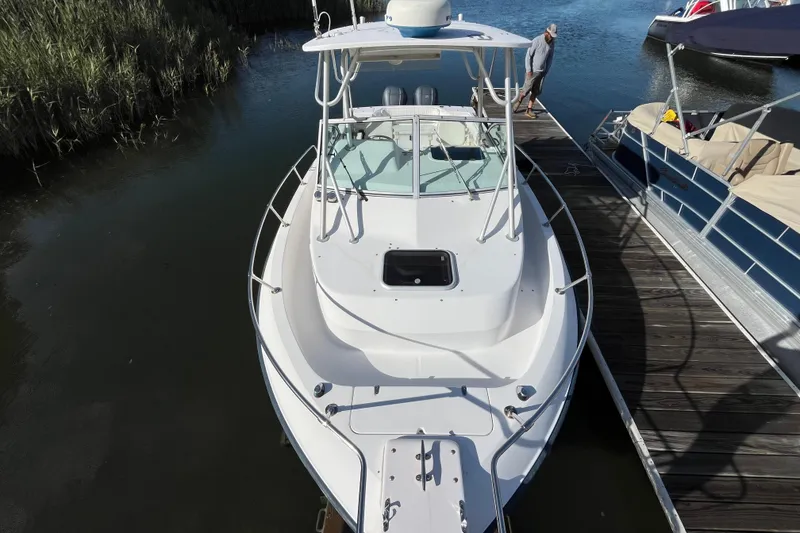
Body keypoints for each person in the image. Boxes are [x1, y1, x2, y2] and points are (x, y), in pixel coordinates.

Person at [514, 24, 557, 119]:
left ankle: (529, 110)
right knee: (525, 90)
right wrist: (529, 69)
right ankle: (518, 102)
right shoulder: (536, 40)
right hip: (532, 71)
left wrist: (547, 70)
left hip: (542, 72)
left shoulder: (552, 43)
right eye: (551, 36)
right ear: (546, 33)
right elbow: (528, 55)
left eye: (553, 37)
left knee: (536, 92)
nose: (552, 38)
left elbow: (550, 58)